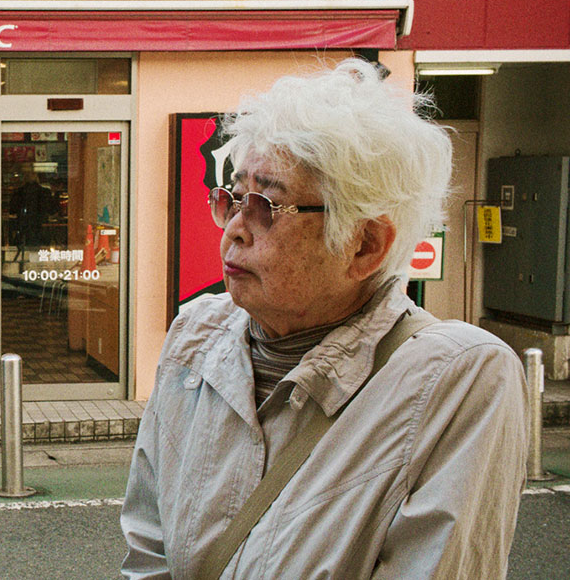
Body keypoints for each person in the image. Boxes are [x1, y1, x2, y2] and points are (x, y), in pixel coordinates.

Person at [121, 59, 527, 578]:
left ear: (365, 244)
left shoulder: (458, 380)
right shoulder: (196, 333)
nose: (235, 230)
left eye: (267, 205)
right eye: (232, 198)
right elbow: (148, 547)